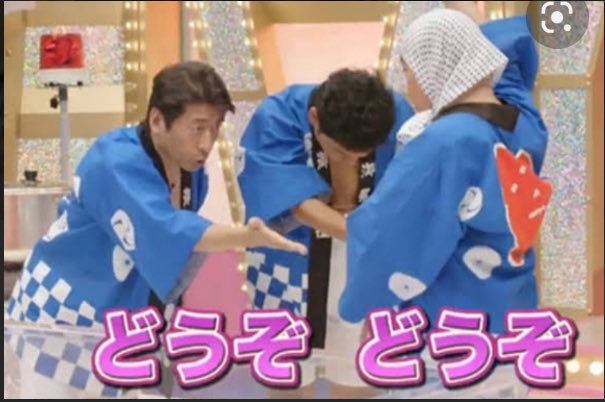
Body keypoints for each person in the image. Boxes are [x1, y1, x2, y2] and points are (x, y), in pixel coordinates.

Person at [6, 61, 307, 328]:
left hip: (122, 315)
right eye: (198, 128)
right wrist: (244, 236)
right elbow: (167, 229)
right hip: (61, 308)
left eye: (216, 128)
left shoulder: (192, 170)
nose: (208, 143)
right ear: (157, 121)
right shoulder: (114, 159)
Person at [339, 2, 551, 337]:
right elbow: (507, 71)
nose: (408, 85)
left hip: (452, 324)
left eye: (409, 71)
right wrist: (471, 28)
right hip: (515, 313)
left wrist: (366, 304)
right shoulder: (526, 124)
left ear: (432, 67)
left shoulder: (443, 143)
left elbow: (390, 232)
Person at [237, 68, 414, 393]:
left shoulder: (398, 116)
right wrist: (365, 236)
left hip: (365, 264)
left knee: (361, 378)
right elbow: (294, 203)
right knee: (287, 382)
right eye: (341, 152)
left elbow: (410, 196)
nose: (351, 161)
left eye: (362, 155)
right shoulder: (278, 115)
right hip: (288, 262)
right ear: (314, 118)